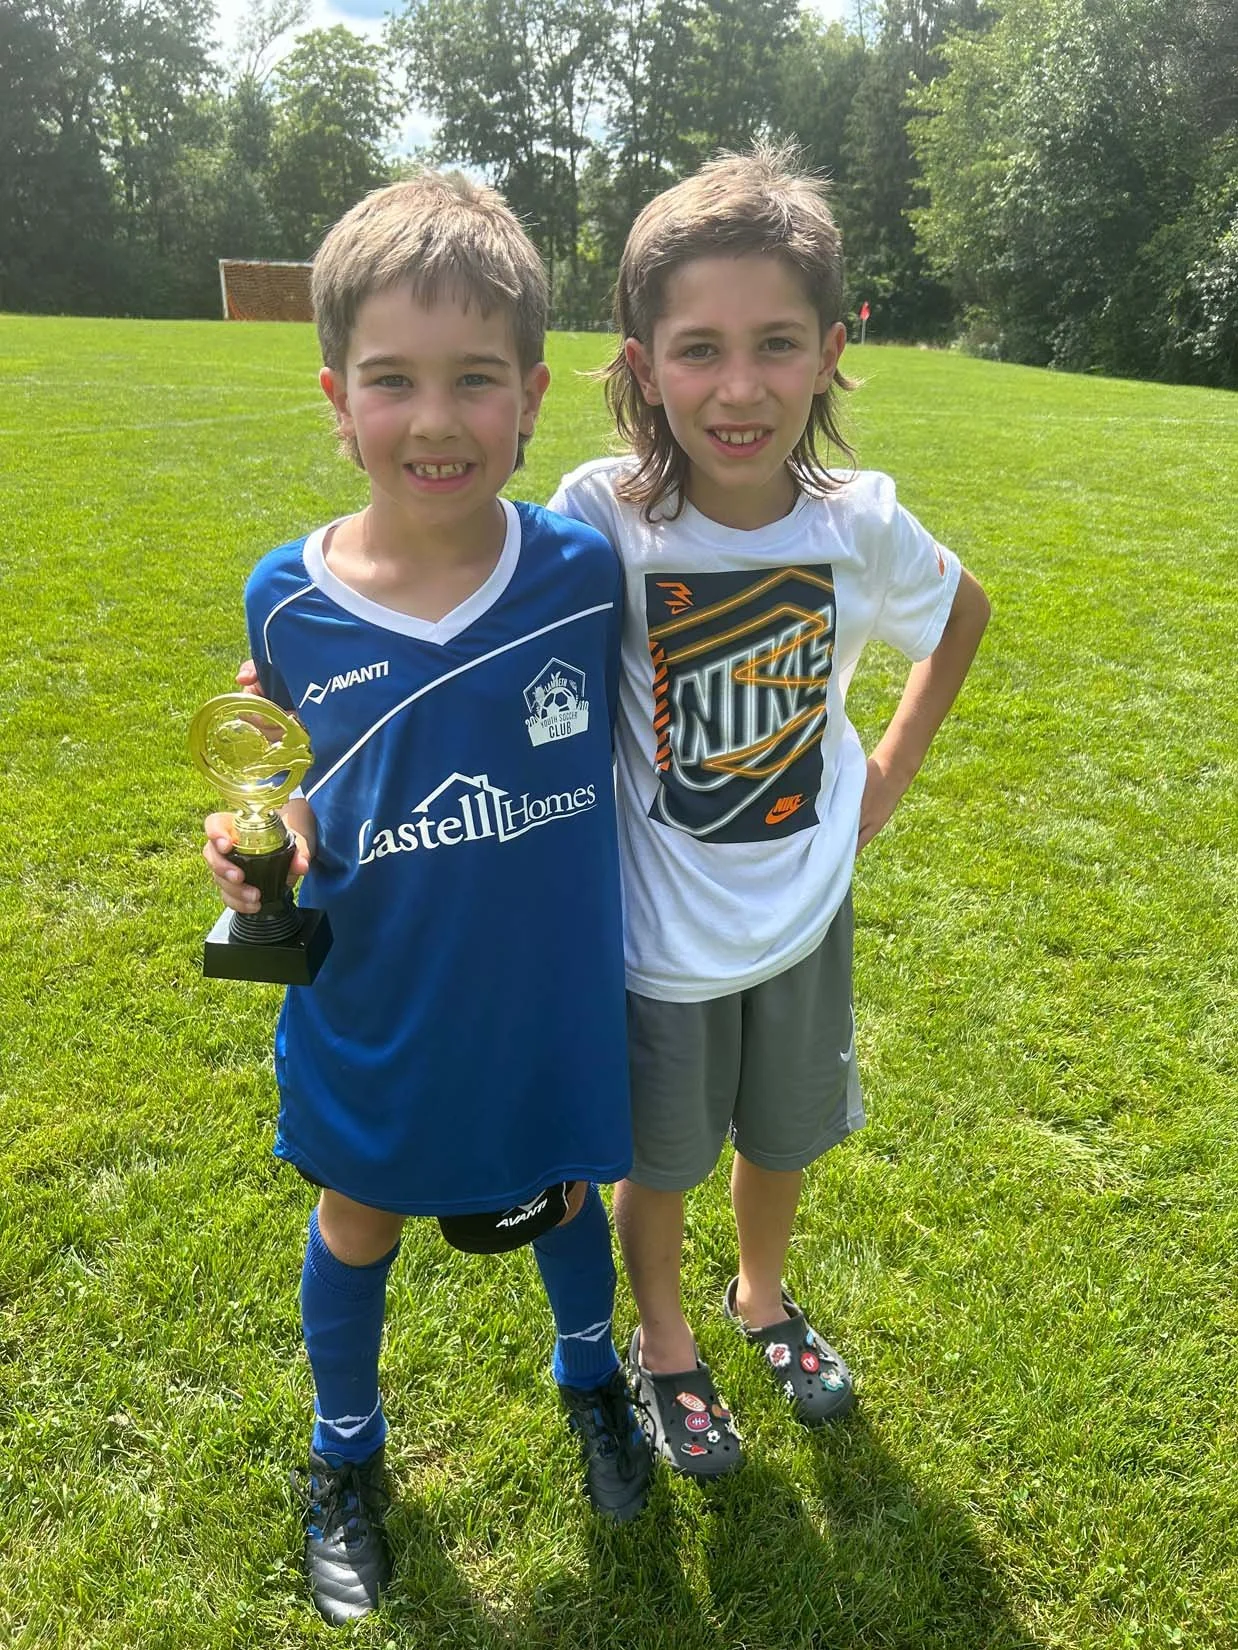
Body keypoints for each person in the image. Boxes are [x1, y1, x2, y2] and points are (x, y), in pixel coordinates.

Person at [201, 171, 651, 1626]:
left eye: (476, 379)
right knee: (361, 1214)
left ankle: (593, 1379)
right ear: (338, 398)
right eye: (394, 380)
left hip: (545, 993)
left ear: (532, 395)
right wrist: (261, 846)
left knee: (565, 1183)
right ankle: (345, 1456)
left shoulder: (583, 572)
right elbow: (299, 778)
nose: (437, 419)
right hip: (379, 1001)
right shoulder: (286, 594)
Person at [548, 144, 991, 1479]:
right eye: (699, 350)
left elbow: (960, 616)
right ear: (642, 364)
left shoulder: (860, 522)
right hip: (661, 939)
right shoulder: (603, 518)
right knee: (662, 1157)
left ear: (830, 352)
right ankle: (666, 1336)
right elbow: (493, 636)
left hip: (802, 913)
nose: (737, 389)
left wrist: (885, 778)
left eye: (776, 345)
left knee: (783, 1134)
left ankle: (758, 1293)